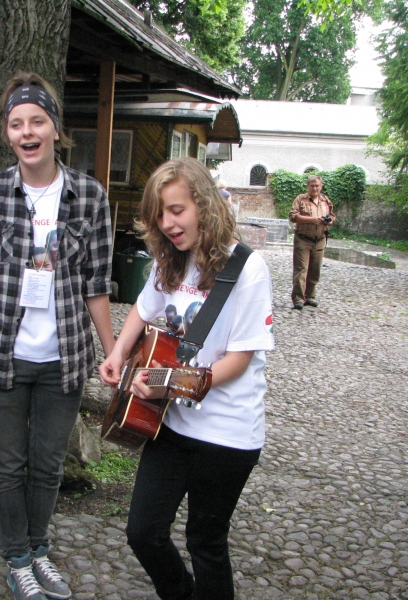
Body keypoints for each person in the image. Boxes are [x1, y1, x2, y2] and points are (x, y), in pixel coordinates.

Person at [0, 71, 115, 600]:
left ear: (56, 128)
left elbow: (98, 286)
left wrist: (113, 355)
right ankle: (17, 559)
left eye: (37, 121)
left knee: (48, 465)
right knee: (9, 466)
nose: (27, 132)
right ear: (7, 133)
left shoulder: (90, 196)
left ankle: (39, 549)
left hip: (65, 358)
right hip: (2, 358)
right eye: (16, 124)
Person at [99, 157, 275, 600]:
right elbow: (143, 308)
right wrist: (118, 353)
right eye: (160, 214)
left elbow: (238, 360)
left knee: (205, 543)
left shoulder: (247, 268)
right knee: (143, 532)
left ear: (205, 205)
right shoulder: (172, 261)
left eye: (177, 210)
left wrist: (166, 382)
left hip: (228, 434)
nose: (167, 224)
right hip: (172, 424)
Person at [289, 174, 335, 309]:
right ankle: (298, 298)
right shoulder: (300, 199)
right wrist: (312, 220)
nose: (315, 188)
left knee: (315, 270)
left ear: (321, 186)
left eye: (317, 186)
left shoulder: (325, 200)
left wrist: (329, 220)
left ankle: (310, 296)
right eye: (312, 186)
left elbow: (332, 215)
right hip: (303, 239)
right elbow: (293, 216)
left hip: (319, 239)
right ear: (307, 186)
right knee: (301, 269)